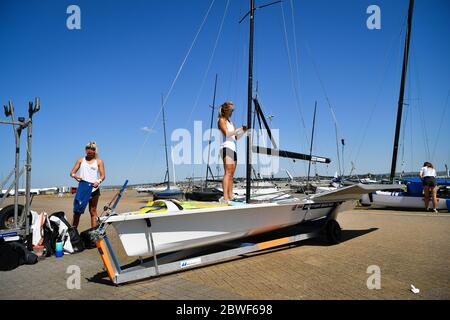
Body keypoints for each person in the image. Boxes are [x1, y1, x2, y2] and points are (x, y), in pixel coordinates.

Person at [70, 141, 106, 228]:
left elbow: (103, 175)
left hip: (94, 190)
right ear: (85, 150)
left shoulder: (99, 161)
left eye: (92, 149)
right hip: (83, 189)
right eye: (88, 149)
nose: (89, 150)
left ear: (95, 151)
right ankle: (72, 234)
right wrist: (75, 176)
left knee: (93, 211)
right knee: (77, 212)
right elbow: (72, 172)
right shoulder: (81, 160)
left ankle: (94, 234)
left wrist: (98, 181)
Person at [218, 101, 247, 201]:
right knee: (228, 172)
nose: (232, 112)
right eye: (231, 110)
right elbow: (227, 133)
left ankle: (230, 196)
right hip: (226, 147)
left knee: (232, 174)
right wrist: (239, 128)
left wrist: (243, 131)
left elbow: (235, 137)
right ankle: (225, 197)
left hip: (233, 148)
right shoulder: (221, 120)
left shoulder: (231, 122)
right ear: (226, 110)